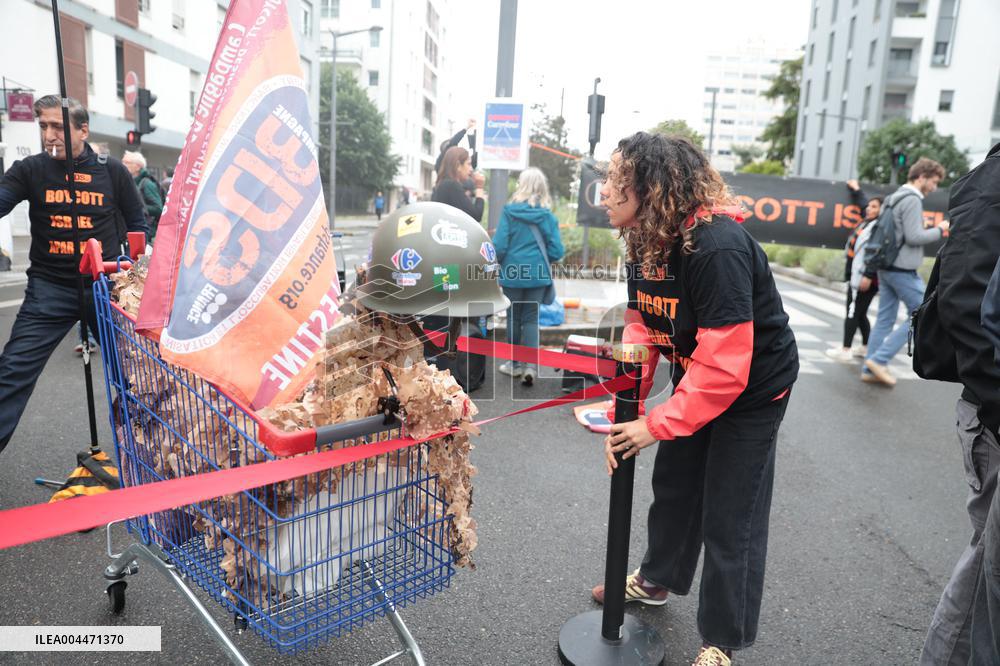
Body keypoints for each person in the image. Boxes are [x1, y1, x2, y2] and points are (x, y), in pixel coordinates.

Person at [591, 132, 798, 666]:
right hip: (698, 374)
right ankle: (658, 579)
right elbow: (643, 328)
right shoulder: (645, 240)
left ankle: (721, 642)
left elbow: (727, 366)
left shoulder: (717, 247)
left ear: (651, 187)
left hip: (752, 390)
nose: (605, 191)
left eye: (616, 180)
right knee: (676, 484)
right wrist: (626, 405)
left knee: (732, 515)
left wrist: (655, 425)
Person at [0, 95, 147, 455]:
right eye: (43, 127)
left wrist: (133, 272)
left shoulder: (111, 170)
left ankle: (151, 455)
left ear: (83, 130)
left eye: (58, 127)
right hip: (49, 289)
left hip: (106, 289)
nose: (49, 135)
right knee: (12, 374)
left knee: (137, 378)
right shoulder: (29, 169)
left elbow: (138, 221)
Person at [918, 143, 1000, 666]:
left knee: (985, 566)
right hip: (992, 409)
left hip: (988, 404)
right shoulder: (991, 186)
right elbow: (968, 299)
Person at [861, 157, 950, 386]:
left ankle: (869, 369)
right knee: (922, 314)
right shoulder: (912, 200)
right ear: (922, 177)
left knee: (885, 319)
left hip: (885, 266)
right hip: (902, 268)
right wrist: (940, 229)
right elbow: (914, 237)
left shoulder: (894, 197)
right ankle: (879, 361)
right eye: (934, 181)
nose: (934, 187)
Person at [492, 167, 564, 386]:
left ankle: (513, 364)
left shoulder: (509, 212)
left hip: (513, 273)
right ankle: (530, 366)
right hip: (538, 274)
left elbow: (499, 246)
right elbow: (557, 250)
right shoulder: (547, 216)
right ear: (542, 188)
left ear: (521, 186)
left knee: (514, 317)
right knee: (531, 318)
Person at [825, 179, 882, 363]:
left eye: (874, 207)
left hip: (865, 278)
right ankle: (866, 347)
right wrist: (857, 190)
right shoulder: (869, 222)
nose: (869, 209)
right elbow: (864, 203)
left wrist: (868, 275)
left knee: (852, 311)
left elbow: (876, 253)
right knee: (860, 312)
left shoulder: (879, 227)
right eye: (870, 206)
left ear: (882, 211)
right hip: (859, 275)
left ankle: (846, 349)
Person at [431, 146, 485, 222]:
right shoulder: (452, 186)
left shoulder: (443, 184)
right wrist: (479, 187)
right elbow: (476, 216)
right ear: (458, 166)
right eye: (468, 164)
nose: (471, 169)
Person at [121, 150, 163, 239]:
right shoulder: (131, 182)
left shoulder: (147, 183)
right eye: (122, 162)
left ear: (137, 167)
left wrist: (136, 208)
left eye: (127, 162)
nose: (122, 165)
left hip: (147, 232)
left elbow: (158, 208)